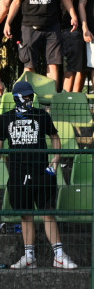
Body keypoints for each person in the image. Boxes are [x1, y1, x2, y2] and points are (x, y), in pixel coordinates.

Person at [0, 81, 77, 269]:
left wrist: (55, 161)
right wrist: (8, 161)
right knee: (25, 215)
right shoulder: (5, 118)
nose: (29, 99)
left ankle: (59, 255)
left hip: (41, 171)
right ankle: (29, 256)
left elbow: (55, 137)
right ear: (17, 97)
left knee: (47, 212)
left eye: (30, 95)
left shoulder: (41, 115)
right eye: (25, 96)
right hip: (19, 173)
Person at [4, 0, 78, 82]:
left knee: (53, 64)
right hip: (29, 27)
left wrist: (73, 15)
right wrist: (8, 23)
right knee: (29, 65)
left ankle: (50, 100)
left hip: (52, 27)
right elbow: (16, 2)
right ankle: (29, 99)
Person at [60, 0, 91, 93]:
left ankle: (76, 98)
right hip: (69, 29)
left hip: (84, 29)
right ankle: (65, 99)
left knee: (83, 67)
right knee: (72, 67)